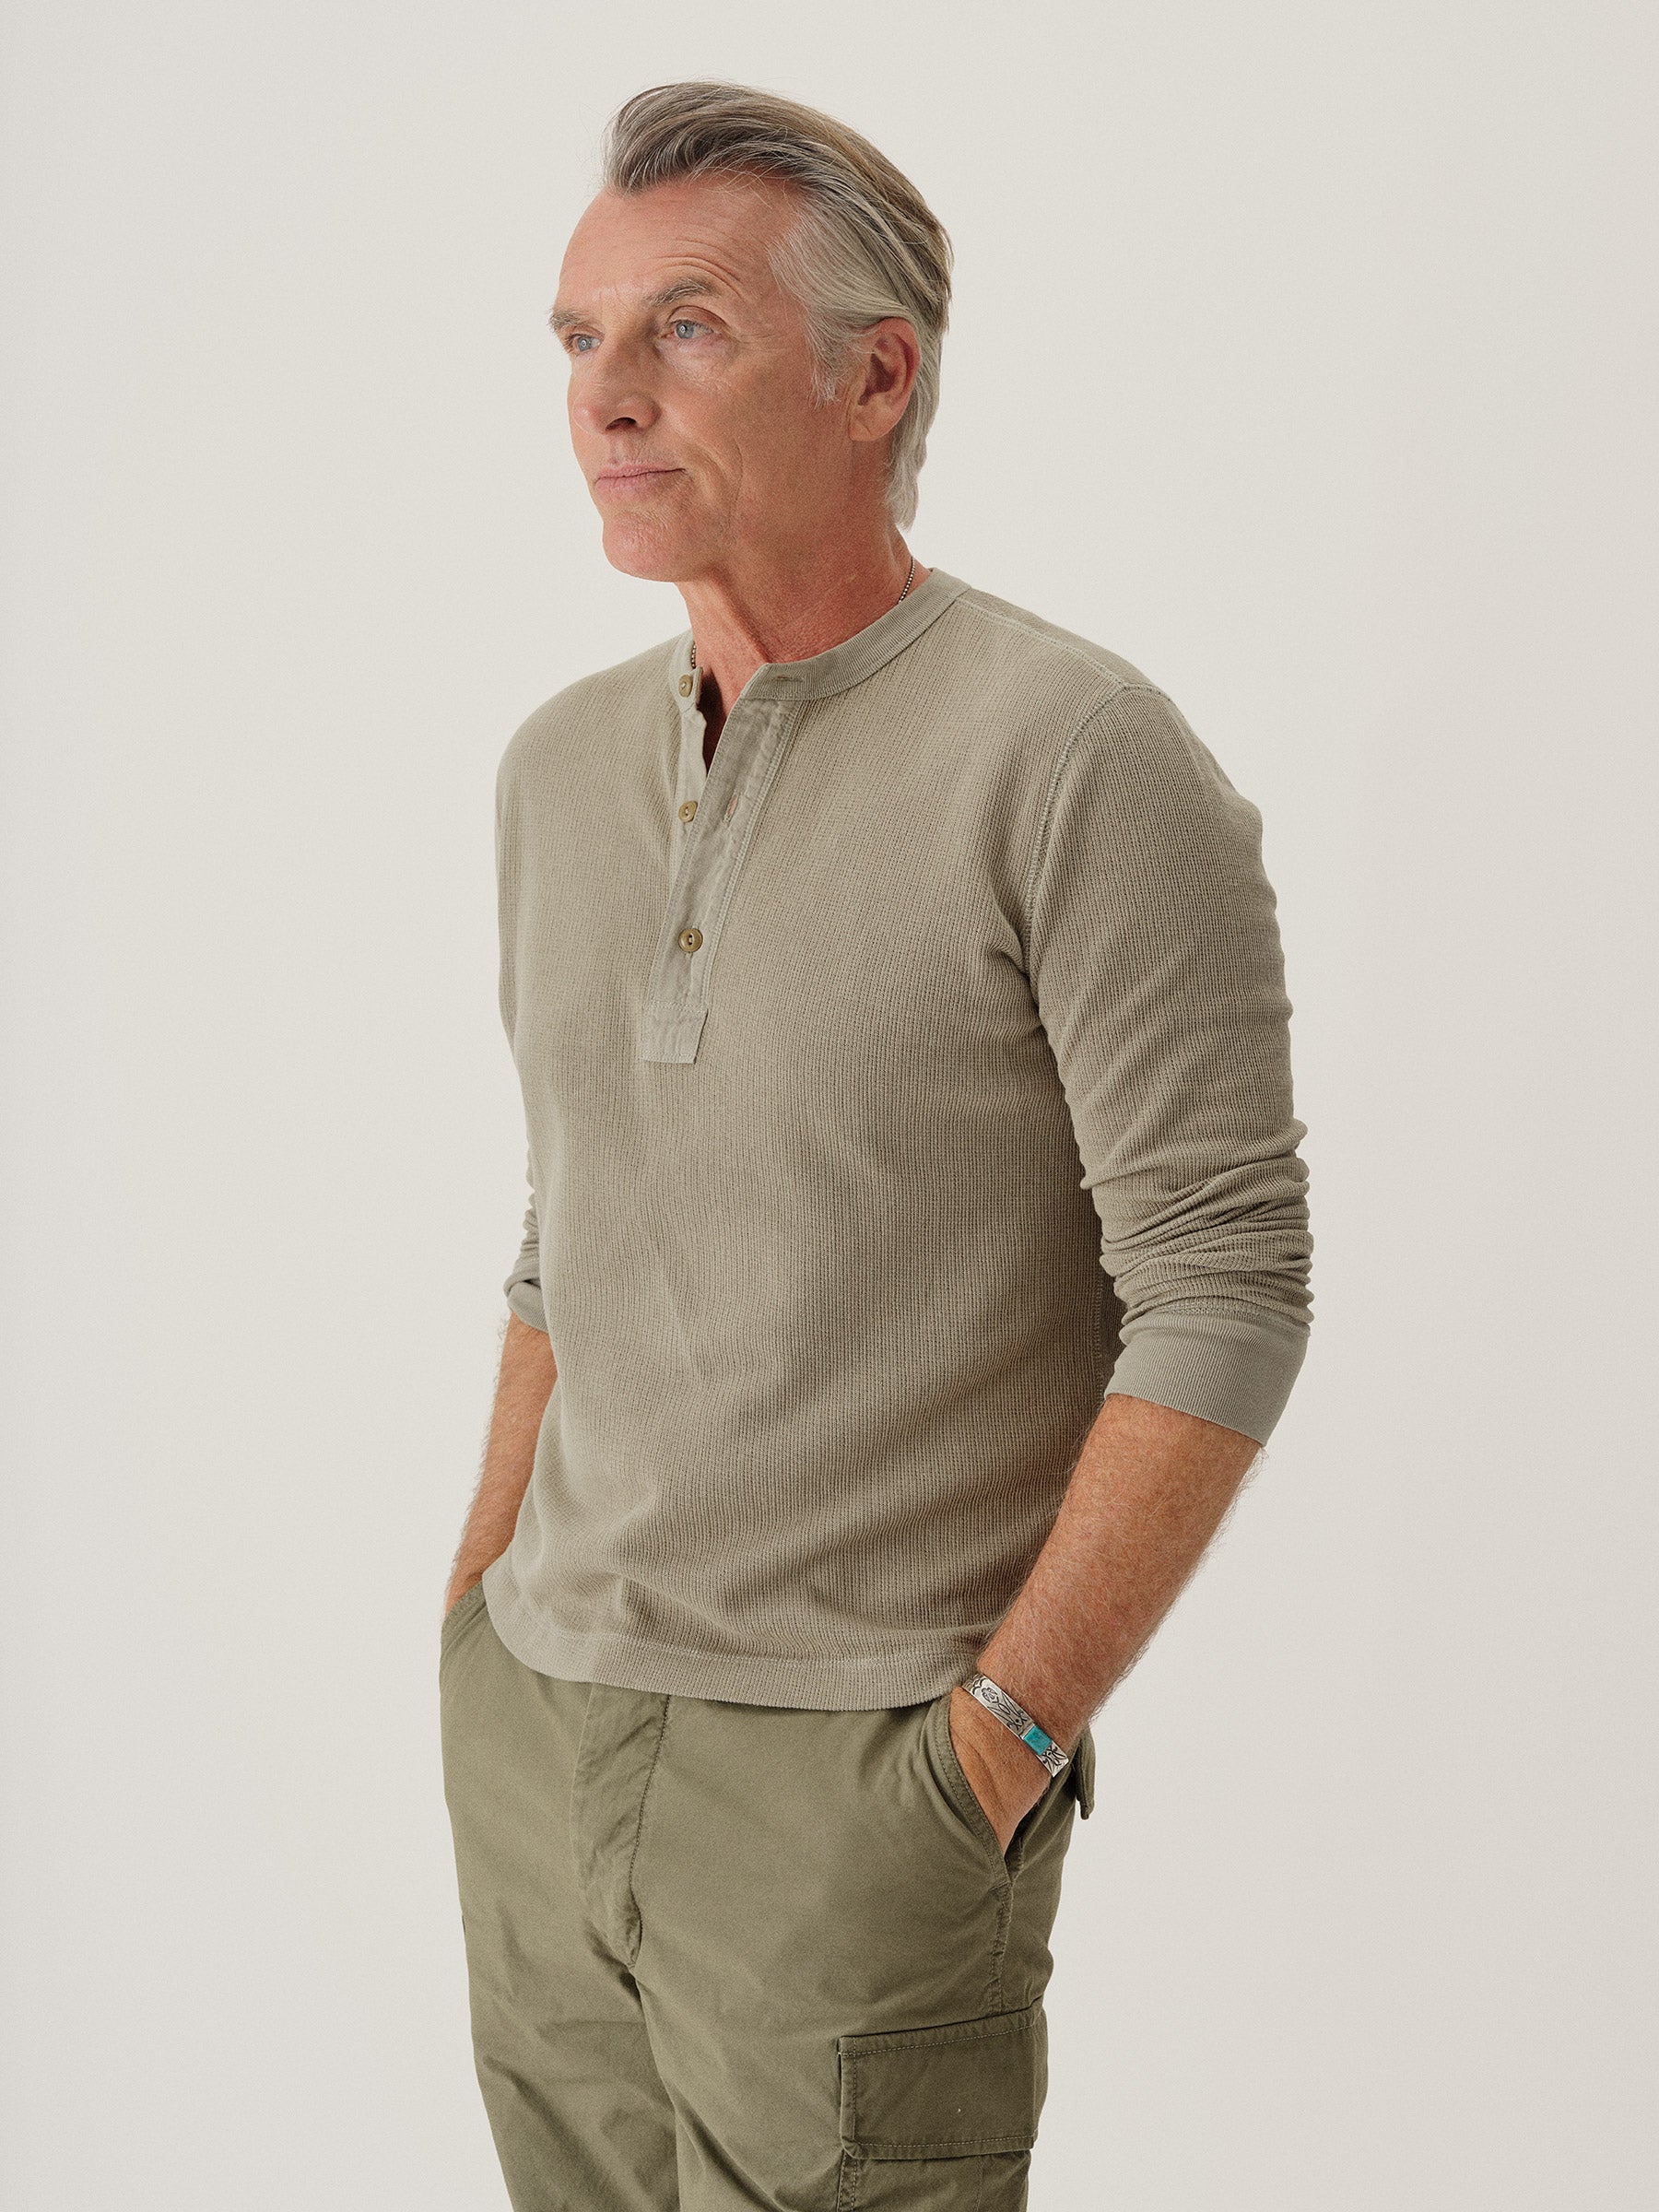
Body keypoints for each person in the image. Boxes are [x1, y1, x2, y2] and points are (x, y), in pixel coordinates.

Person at [439, 78, 1312, 2212]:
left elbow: (1223, 1292)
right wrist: (477, 1610)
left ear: (876, 377)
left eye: (686, 329)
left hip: (861, 1778)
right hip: (542, 1733)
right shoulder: (555, 769)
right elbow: (571, 1228)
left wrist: (996, 1741)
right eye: (580, 339)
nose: (607, 397)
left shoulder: (1073, 755)